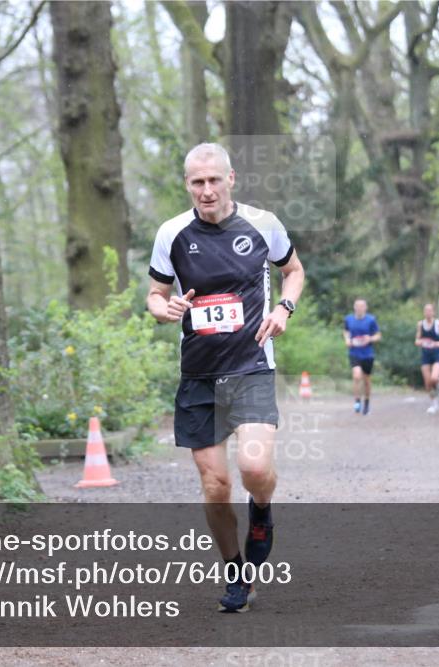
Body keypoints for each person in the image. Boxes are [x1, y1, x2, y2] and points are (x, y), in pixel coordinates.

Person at [146, 142, 305, 613]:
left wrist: (284, 308)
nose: (207, 190)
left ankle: (262, 509)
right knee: (214, 484)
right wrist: (165, 307)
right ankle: (236, 573)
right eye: (198, 182)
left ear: (231, 178)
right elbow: (155, 295)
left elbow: (293, 271)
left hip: (251, 365)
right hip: (198, 374)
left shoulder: (263, 224)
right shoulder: (171, 233)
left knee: (254, 469)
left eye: (214, 180)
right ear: (187, 185)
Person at [415, 303, 439, 414]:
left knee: (434, 378)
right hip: (425, 355)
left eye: (430, 310)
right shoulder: (420, 324)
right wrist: (423, 342)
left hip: (436, 354)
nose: (428, 313)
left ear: (433, 312)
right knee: (428, 383)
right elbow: (416, 340)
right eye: (426, 310)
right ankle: (434, 404)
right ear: (424, 312)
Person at [343, 299, 381, 415]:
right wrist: (347, 339)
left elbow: (378, 335)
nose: (359, 308)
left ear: (365, 307)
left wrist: (370, 339)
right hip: (354, 352)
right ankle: (357, 402)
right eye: (357, 306)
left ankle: (367, 403)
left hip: (368, 354)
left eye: (362, 306)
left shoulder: (371, 320)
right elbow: (346, 331)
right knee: (356, 376)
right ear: (354, 307)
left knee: (367, 381)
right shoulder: (348, 319)